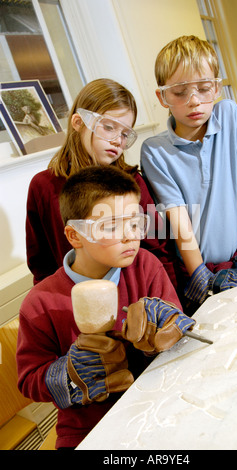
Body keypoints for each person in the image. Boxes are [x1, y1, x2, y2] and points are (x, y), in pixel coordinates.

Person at [17, 165, 194, 449]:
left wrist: (165, 328)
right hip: (87, 427)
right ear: (75, 236)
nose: (130, 236)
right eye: (111, 226)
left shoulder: (146, 266)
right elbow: (29, 380)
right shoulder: (40, 302)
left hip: (156, 403)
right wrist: (70, 373)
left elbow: (176, 332)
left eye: (135, 222)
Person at [141, 35, 237, 312]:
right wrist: (201, 276)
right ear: (162, 96)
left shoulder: (228, 115)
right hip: (195, 270)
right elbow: (178, 220)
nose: (194, 102)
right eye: (180, 92)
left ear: (216, 88)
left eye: (203, 89)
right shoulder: (155, 151)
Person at [26, 78, 178, 288]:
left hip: (135, 299)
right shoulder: (43, 186)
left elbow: (158, 248)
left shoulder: (133, 182)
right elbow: (40, 264)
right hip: (75, 300)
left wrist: (169, 302)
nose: (118, 140)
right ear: (79, 123)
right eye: (109, 127)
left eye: (125, 134)